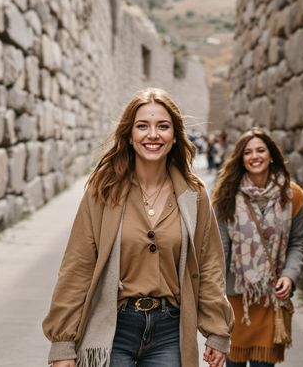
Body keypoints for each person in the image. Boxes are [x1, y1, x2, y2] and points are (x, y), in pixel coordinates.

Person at [42, 88, 234, 367]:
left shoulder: (194, 195)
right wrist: (63, 342)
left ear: (175, 136)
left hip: (170, 332)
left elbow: (209, 265)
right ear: (129, 136)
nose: (153, 135)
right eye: (142, 126)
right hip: (113, 328)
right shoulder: (103, 190)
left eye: (163, 126)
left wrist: (217, 330)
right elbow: (78, 265)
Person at [211, 128, 303, 366]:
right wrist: (213, 301)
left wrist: (289, 275)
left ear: (271, 155)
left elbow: (298, 241)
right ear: (241, 159)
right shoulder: (226, 196)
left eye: (260, 150)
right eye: (248, 152)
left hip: (270, 299)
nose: (255, 156)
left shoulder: (292, 195)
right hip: (235, 301)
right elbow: (220, 250)